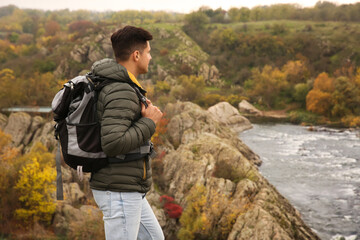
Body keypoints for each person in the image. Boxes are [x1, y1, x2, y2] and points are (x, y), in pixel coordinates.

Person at [89, 26, 164, 240]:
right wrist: (149, 122)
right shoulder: (121, 90)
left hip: (129, 188)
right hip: (119, 190)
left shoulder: (125, 86)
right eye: (148, 52)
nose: (151, 57)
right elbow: (113, 143)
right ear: (136, 55)